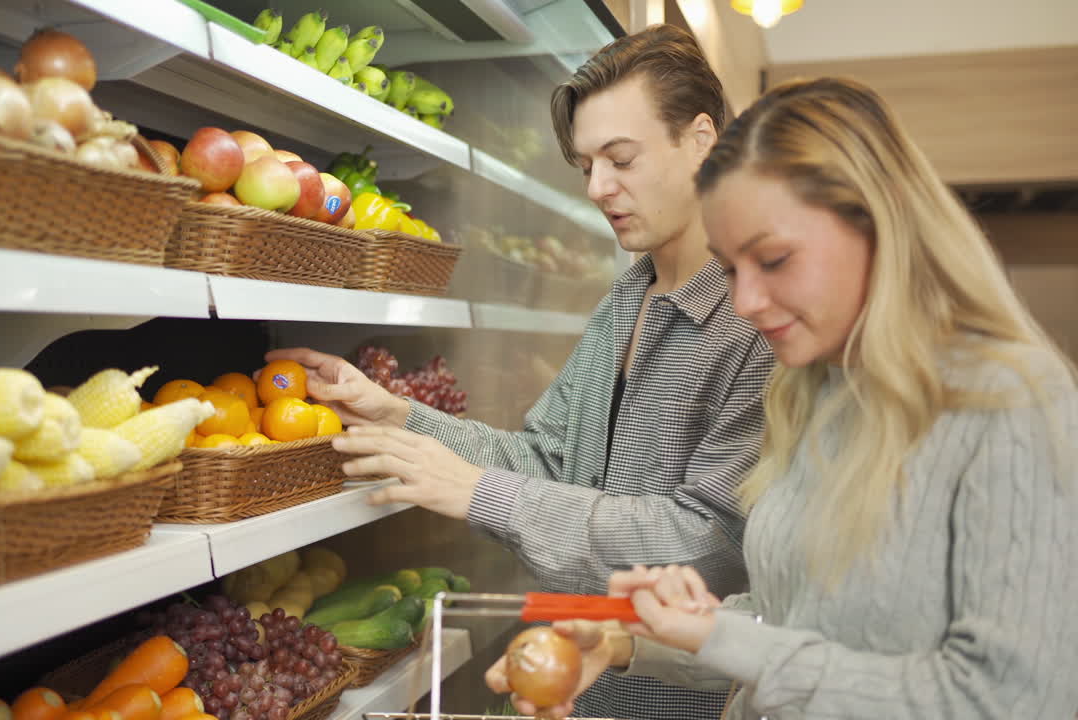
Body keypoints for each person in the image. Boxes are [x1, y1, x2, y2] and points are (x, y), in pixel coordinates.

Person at [487, 76, 1078, 719]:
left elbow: (1002, 699)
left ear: (879, 225)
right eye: (733, 269)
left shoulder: (1012, 402)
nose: (747, 303)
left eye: (773, 260)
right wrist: (626, 638)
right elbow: (790, 621)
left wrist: (720, 638)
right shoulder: (814, 391)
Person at [267, 24, 774, 720]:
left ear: (702, 140)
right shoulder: (624, 302)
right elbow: (544, 458)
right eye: (586, 164)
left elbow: (710, 549)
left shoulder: (760, 324)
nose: (599, 187)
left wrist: (480, 492)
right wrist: (400, 416)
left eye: (621, 158)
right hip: (572, 691)